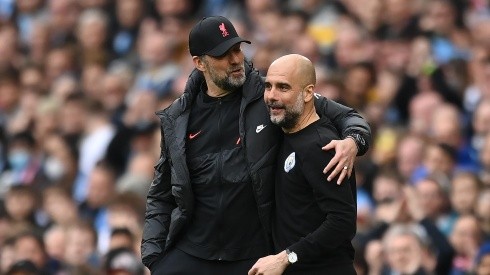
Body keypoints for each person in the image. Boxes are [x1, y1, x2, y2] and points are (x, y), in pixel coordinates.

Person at [141, 16, 371, 274]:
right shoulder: (178, 117)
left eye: (237, 49)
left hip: (252, 255)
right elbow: (161, 192)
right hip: (193, 251)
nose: (236, 59)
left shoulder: (272, 95)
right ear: (199, 63)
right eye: (223, 54)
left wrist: (353, 140)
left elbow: (347, 116)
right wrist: (153, 257)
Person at [248, 54, 357, 275]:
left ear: (308, 93)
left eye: (283, 88)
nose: (271, 96)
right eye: (268, 86)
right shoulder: (283, 133)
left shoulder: (321, 146)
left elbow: (342, 221)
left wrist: (287, 257)